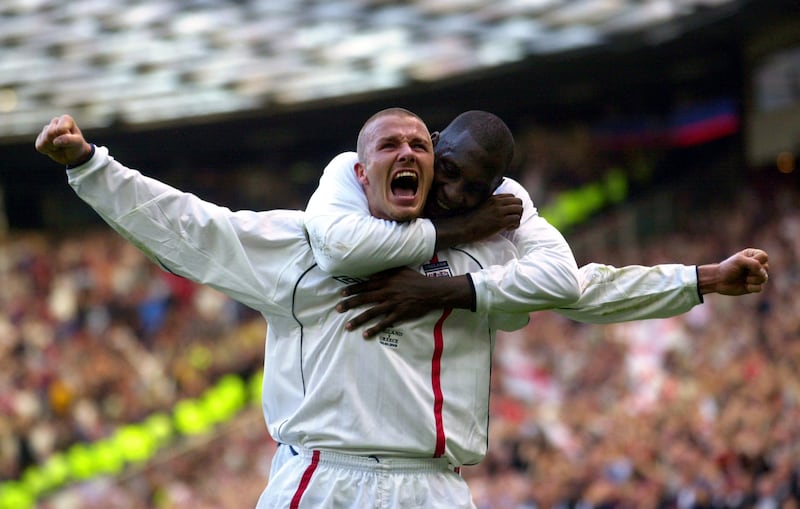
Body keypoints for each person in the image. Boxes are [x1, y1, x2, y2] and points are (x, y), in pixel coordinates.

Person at [36, 109, 582, 508]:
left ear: (435, 162)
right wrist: (91, 167)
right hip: (325, 482)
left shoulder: (477, 256)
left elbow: (581, 287)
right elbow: (192, 229)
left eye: (418, 145)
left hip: (435, 486)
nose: (407, 153)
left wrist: (672, 282)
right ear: (360, 172)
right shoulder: (302, 245)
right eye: (389, 145)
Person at [303, 110, 769, 337]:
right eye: (447, 171)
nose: (451, 194)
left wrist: (704, 278)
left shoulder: (504, 211)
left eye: (473, 188)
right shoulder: (356, 179)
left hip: (436, 471)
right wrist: (459, 230)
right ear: (435, 145)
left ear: (496, 186)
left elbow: (572, 285)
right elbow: (336, 248)